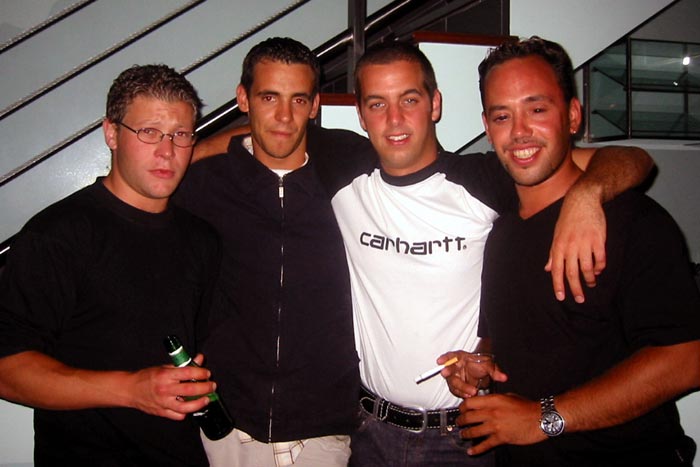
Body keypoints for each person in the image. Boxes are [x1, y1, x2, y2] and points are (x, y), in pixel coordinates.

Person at [191, 40, 653, 466]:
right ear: (361, 114)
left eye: (409, 100)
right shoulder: (344, 169)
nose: (394, 120)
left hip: (461, 437)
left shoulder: (485, 180)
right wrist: (185, 152)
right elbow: (269, 130)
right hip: (367, 431)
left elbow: (627, 159)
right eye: (378, 104)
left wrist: (588, 194)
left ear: (435, 104)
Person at [443, 36, 700, 467]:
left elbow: (686, 358)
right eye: (503, 115)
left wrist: (544, 418)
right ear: (487, 126)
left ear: (573, 116)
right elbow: (518, 334)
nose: (519, 131)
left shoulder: (632, 221)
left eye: (537, 109)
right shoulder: (500, 232)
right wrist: (483, 361)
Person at [0, 64, 220, 466]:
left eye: (181, 135)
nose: (167, 151)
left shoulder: (202, 239)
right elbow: (6, 369)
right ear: (112, 133)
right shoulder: (58, 234)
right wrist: (132, 390)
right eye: (149, 132)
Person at [174, 37, 361, 467]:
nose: (283, 116)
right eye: (269, 97)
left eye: (298, 99)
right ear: (244, 99)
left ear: (315, 105)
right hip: (224, 424)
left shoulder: (352, 175)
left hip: (322, 428)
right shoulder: (200, 186)